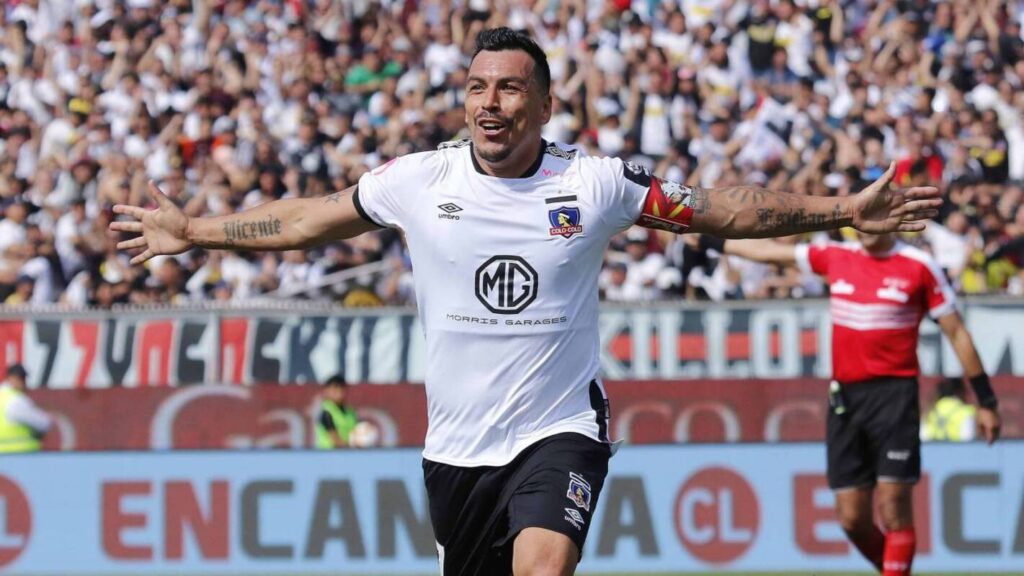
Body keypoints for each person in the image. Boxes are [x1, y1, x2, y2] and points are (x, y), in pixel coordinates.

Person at [111, 27, 942, 576]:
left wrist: (843, 209)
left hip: (559, 431)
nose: (490, 104)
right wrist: (197, 232)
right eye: (477, 88)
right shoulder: (417, 180)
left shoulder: (597, 182)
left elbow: (722, 211)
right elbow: (305, 220)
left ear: (544, 105)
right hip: (456, 449)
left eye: (509, 90)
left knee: (544, 567)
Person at [721, 231, 1000, 576]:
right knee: (851, 518)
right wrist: (708, 236)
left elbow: (956, 332)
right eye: (861, 217)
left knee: (893, 506)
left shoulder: (919, 265)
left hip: (894, 396)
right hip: (845, 399)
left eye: (875, 214)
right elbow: (768, 251)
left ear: (892, 218)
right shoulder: (837, 256)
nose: (866, 225)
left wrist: (986, 399)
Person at [0, 363, 52, 453]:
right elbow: (43, 423)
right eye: (20, 378)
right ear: (10, 378)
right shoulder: (16, 400)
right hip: (19, 455)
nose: (23, 383)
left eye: (23, 379)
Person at [921, 377, 978, 442]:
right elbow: (968, 438)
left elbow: (923, 437)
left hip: (932, 448)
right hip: (957, 448)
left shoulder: (929, 411)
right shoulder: (967, 412)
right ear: (960, 391)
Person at [315, 374, 359, 449]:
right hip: (328, 453)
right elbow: (335, 440)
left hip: (348, 453)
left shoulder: (351, 412)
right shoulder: (326, 412)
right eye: (335, 388)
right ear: (326, 391)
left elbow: (358, 432)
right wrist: (351, 447)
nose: (339, 391)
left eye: (341, 388)